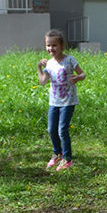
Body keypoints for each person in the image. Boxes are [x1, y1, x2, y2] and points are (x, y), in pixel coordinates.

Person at [37, 28, 85, 171]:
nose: (51, 48)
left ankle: (67, 158)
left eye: (54, 45)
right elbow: (43, 81)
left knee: (62, 130)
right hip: (54, 102)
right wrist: (39, 67)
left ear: (62, 46)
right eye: (48, 45)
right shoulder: (49, 63)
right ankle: (57, 153)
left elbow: (82, 74)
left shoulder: (69, 60)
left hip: (68, 101)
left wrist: (78, 78)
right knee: (51, 129)